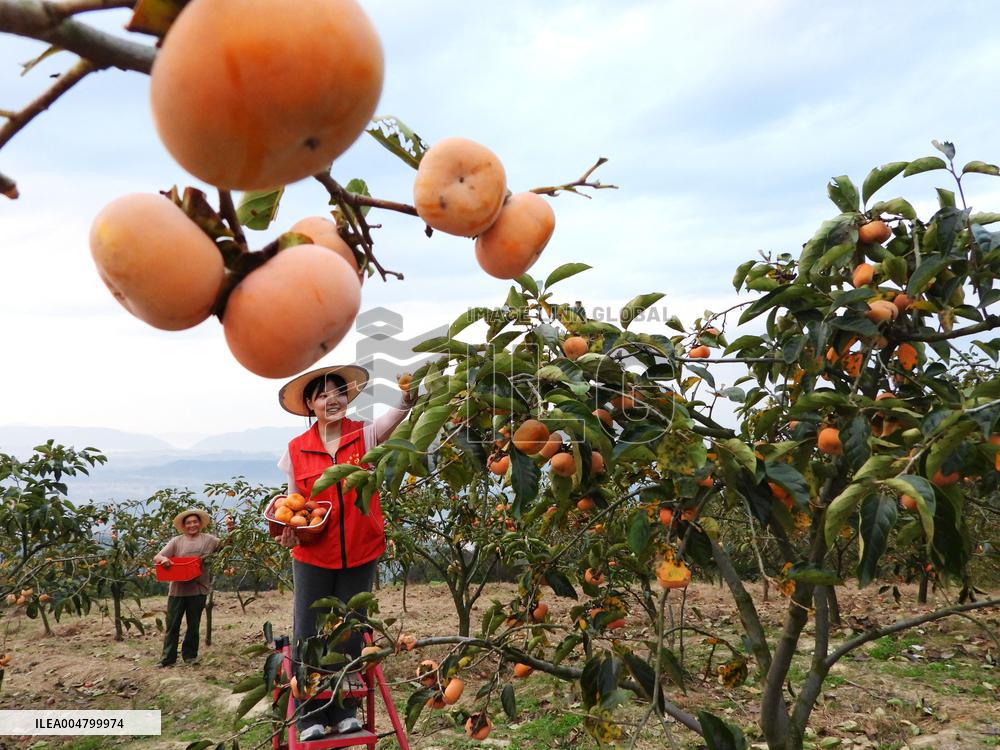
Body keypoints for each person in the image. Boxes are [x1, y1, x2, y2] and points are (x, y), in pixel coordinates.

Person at [276, 364, 415, 740]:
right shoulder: (296, 450)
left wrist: (408, 395)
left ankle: (345, 710)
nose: (331, 399)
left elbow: (397, 416)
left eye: (337, 392)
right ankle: (309, 717)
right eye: (321, 394)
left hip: (360, 549)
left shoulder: (364, 436)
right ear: (310, 404)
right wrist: (289, 530)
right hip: (313, 554)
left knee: (351, 630)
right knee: (308, 633)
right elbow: (295, 503)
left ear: (347, 397)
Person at [153, 508, 234, 667]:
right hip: (177, 590)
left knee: (193, 625)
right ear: (184, 526)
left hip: (198, 589)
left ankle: (190, 656)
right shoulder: (177, 541)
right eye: (188, 523)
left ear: (200, 524)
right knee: (172, 625)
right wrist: (164, 560)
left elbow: (226, 546)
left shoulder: (209, 540)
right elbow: (158, 556)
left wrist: (231, 529)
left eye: (195, 522)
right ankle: (167, 659)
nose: (192, 525)